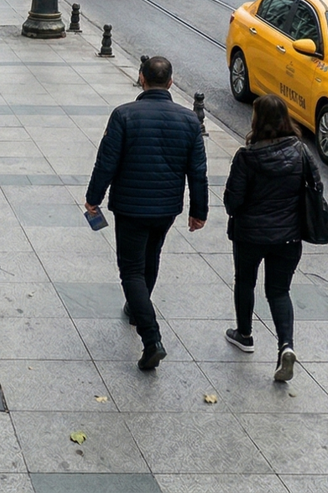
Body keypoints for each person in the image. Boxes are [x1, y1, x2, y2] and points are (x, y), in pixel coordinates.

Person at [84, 55, 208, 371]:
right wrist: (199, 211)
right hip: (166, 208)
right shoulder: (190, 121)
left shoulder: (124, 115)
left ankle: (151, 338)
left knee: (131, 270)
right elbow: (198, 172)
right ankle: (137, 308)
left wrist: (93, 198)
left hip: (130, 206)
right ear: (170, 82)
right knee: (151, 257)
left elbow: (106, 162)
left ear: (141, 78)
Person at [223, 94, 309, 383]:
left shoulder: (247, 157)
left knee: (245, 281)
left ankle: (244, 334)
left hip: (250, 235)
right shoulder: (301, 151)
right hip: (288, 237)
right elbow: (315, 189)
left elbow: (232, 201)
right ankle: (286, 345)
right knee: (279, 291)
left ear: (257, 121)